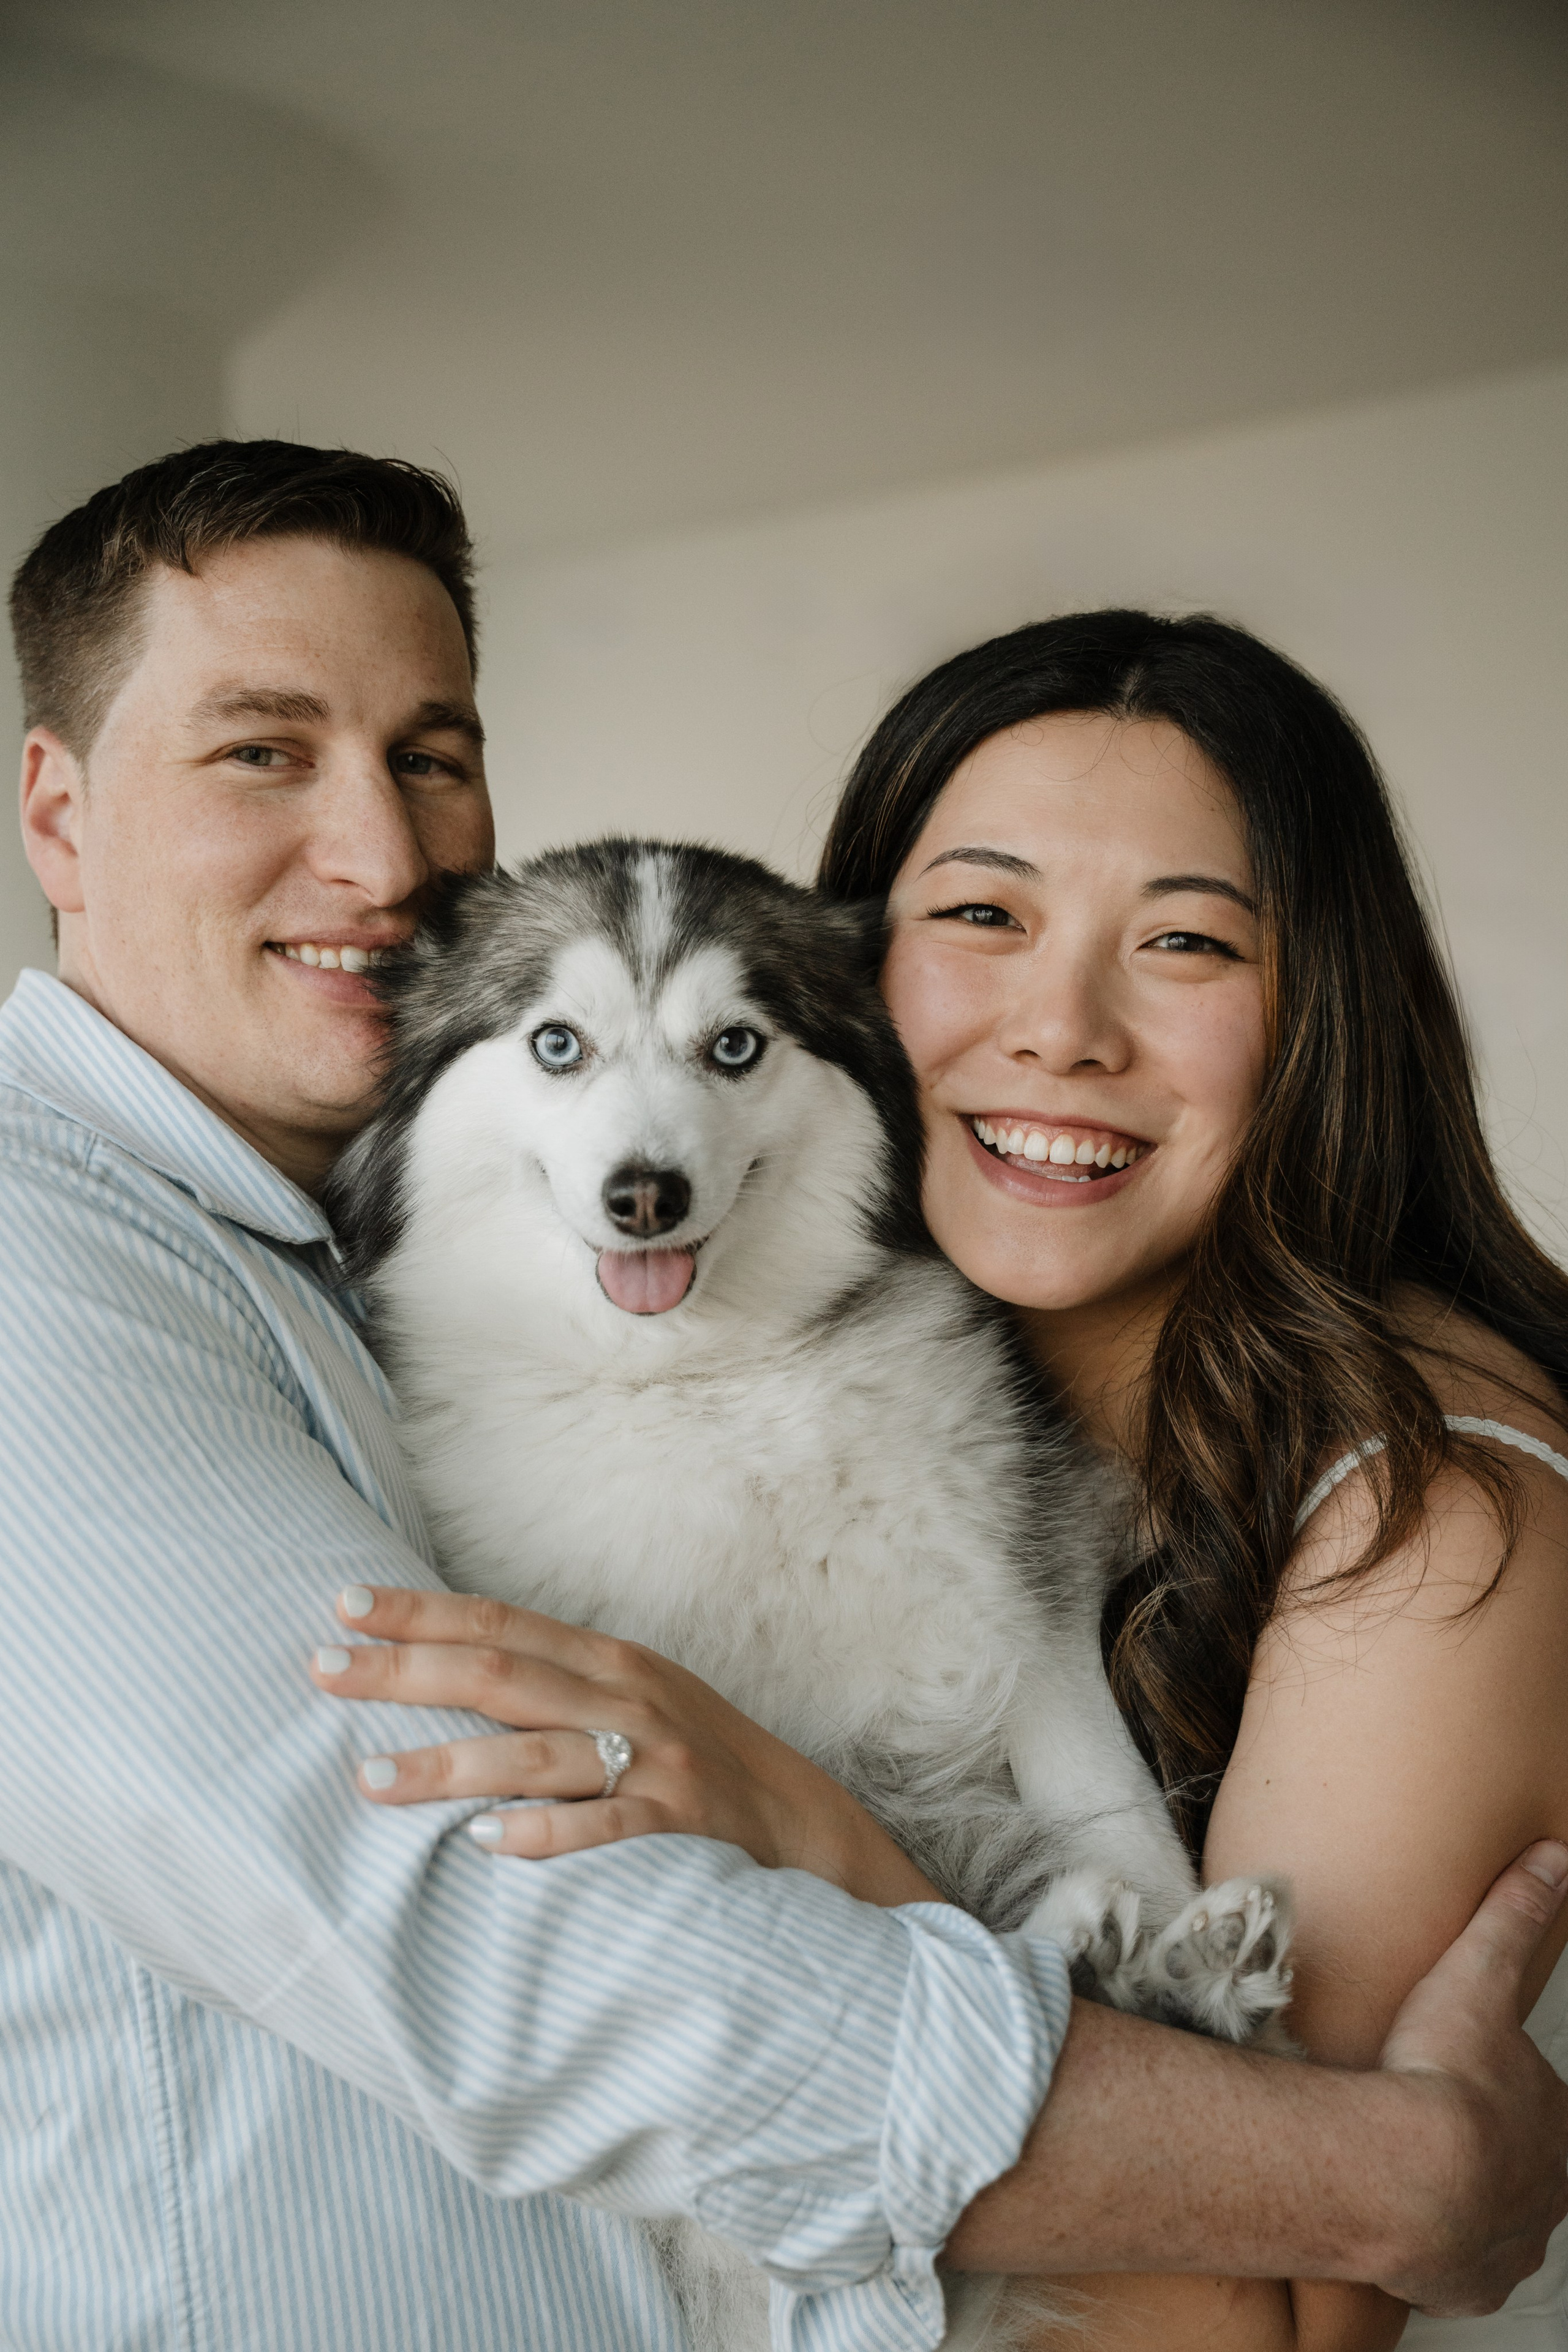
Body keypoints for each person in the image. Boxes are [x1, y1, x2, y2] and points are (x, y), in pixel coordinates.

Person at [0, 450, 1561, 2352]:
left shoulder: (1412, 1501)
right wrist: (1394, 2170)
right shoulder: (59, 1279)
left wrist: (815, 1826)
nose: (391, 864)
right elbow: (534, 1955)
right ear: (54, 815)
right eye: (262, 750)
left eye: (431, 756)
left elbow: (1258, 2327)